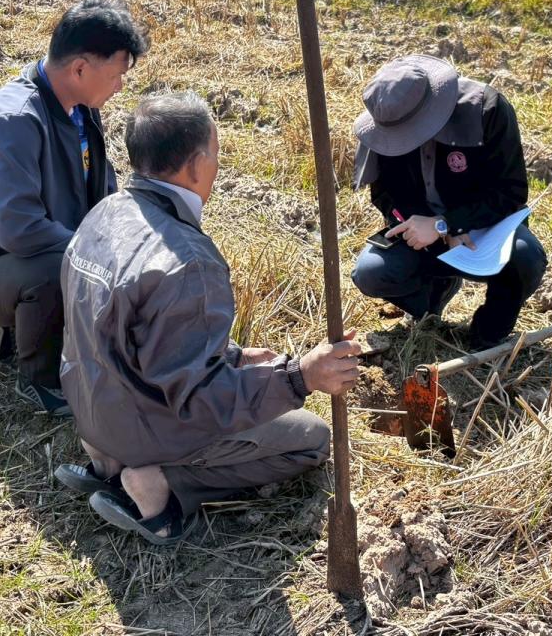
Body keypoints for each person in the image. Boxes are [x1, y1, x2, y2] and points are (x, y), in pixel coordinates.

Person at [57, 91, 361, 545]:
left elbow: (135, 331)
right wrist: (299, 376)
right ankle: (159, 484)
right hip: (142, 425)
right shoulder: (188, 263)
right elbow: (202, 402)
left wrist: (232, 356)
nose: (218, 166)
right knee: (312, 438)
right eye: (216, 154)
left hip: (91, 407)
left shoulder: (106, 212)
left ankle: (107, 463)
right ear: (197, 165)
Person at [0, 0, 147, 416]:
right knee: (55, 269)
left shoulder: (80, 110)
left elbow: (102, 193)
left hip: (34, 252)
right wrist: (94, 258)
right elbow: (20, 230)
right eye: (117, 75)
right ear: (80, 68)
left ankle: (23, 327)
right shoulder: (13, 120)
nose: (120, 87)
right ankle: (42, 380)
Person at [349, 54, 548, 350]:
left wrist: (450, 224)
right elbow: (383, 194)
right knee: (370, 273)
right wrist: (415, 224)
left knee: (526, 258)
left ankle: (489, 332)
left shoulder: (487, 109)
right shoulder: (385, 119)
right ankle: (431, 299)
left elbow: (511, 192)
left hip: (484, 225)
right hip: (421, 228)